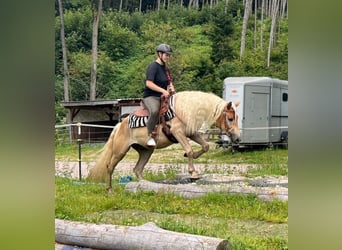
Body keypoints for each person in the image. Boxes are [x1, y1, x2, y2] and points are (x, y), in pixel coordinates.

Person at [143, 43, 175, 147]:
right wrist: (163, 91)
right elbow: (149, 83)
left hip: (163, 97)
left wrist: (171, 87)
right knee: (155, 111)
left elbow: (169, 81)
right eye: (166, 55)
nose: (168, 57)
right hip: (151, 96)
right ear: (160, 54)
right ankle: (149, 136)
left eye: (169, 55)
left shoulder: (165, 69)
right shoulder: (153, 67)